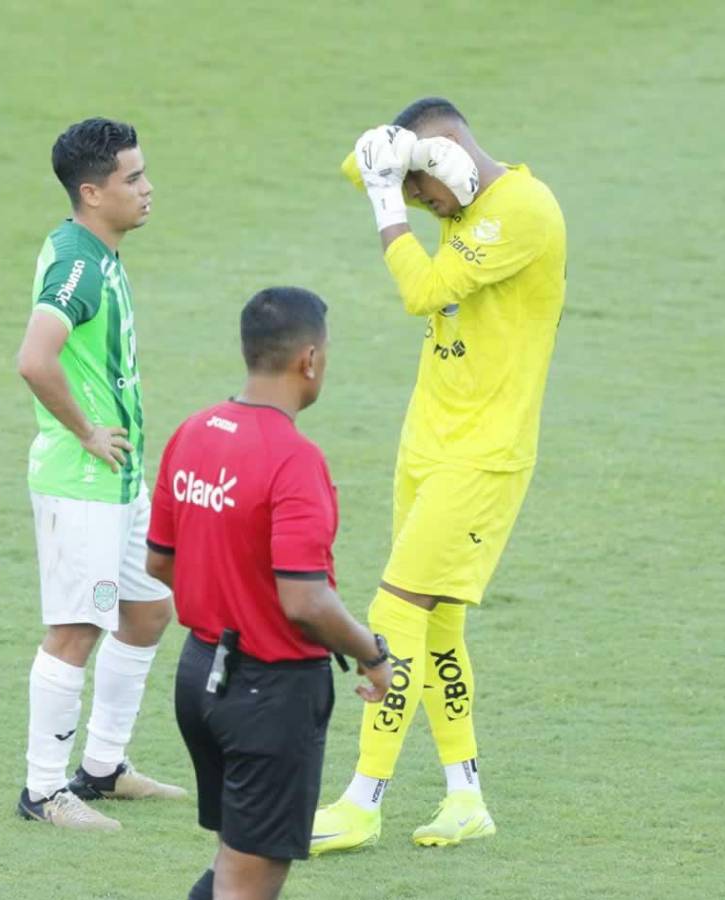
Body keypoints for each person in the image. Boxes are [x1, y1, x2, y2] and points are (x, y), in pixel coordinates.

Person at [310, 97, 567, 854]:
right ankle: (465, 796)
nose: (421, 208)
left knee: (393, 609)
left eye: (424, 195)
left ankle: (362, 799)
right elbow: (356, 166)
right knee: (438, 622)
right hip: (427, 443)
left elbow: (421, 292)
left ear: (449, 155)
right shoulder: (457, 196)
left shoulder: (523, 210)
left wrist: (394, 198)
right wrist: (391, 160)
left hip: (484, 455)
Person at [146, 287, 395, 900]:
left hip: (201, 676)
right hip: (269, 694)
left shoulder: (194, 432)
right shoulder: (294, 459)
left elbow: (159, 560)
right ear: (309, 359)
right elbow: (305, 601)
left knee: (235, 861)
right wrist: (372, 652)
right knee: (247, 884)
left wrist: (226, 601)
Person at [15, 117, 185, 831]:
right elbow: (34, 357)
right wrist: (85, 430)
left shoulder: (95, 249)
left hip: (120, 482)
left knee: (146, 611)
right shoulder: (79, 266)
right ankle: (42, 790)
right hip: (83, 483)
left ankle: (103, 767)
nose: (147, 189)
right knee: (76, 629)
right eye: (133, 178)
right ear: (92, 192)